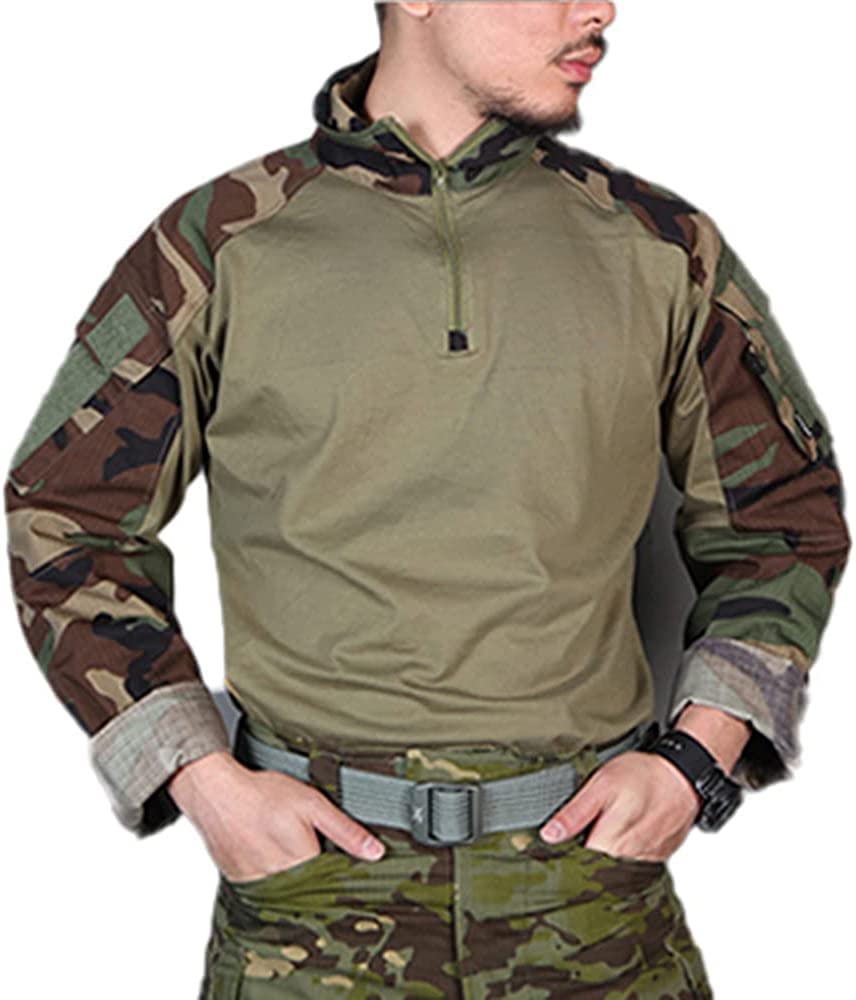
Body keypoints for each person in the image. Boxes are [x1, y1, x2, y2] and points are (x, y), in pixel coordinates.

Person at [5, 2, 851, 996]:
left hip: (593, 897)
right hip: (309, 907)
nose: (600, 11)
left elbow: (782, 515)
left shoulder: (662, 246)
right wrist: (199, 776)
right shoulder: (219, 240)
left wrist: (697, 760)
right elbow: (64, 514)